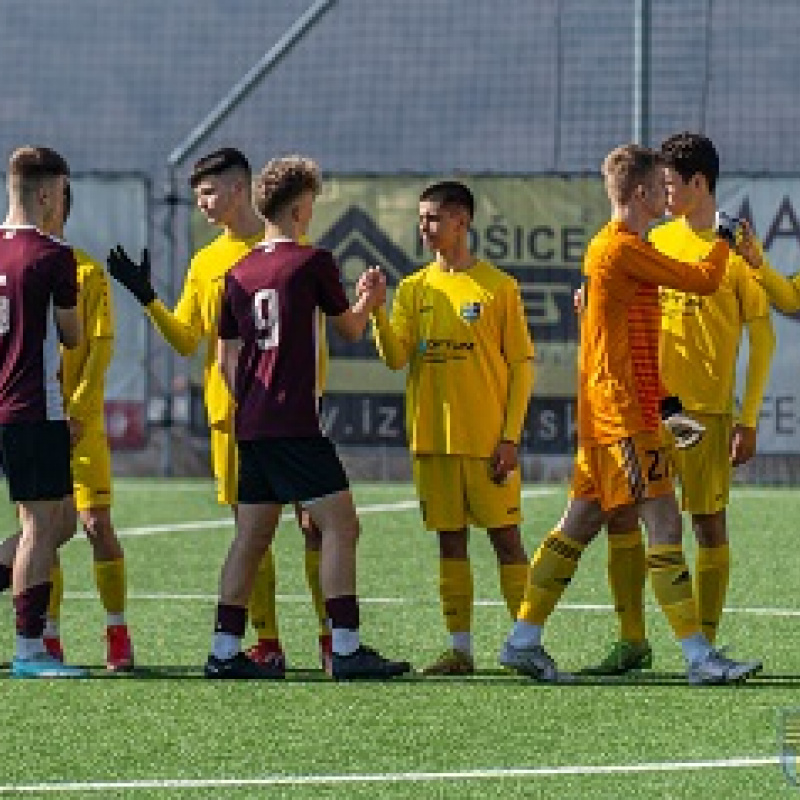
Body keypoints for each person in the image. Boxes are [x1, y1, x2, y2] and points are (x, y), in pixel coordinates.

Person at [499, 143, 763, 684]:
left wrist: (667, 405)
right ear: (640, 193)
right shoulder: (618, 249)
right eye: (661, 185)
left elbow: (624, 342)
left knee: (579, 524)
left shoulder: (614, 251)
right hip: (623, 418)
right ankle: (698, 657)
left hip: (616, 413)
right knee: (664, 523)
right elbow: (704, 280)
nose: (668, 194)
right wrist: (723, 243)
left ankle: (522, 639)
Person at [107, 148, 332, 674]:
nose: (203, 204)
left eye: (209, 192)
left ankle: (330, 637)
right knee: (252, 532)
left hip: (296, 412)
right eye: (198, 195)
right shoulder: (205, 261)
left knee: (313, 525)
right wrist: (148, 299)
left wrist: (314, 394)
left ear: (238, 188)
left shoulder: (290, 247)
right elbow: (188, 340)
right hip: (231, 415)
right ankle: (268, 642)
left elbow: (316, 336)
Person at [208, 154, 410, 680]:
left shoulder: (238, 273)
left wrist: (250, 401)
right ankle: (344, 649)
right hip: (296, 425)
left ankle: (223, 652)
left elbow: (226, 358)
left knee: (251, 537)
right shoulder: (312, 262)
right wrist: (369, 301)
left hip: (252, 425)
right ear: (300, 207)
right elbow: (347, 330)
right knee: (342, 525)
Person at [588, 133, 775, 675]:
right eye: (660, 183)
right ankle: (631, 641)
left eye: (672, 182)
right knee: (621, 518)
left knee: (707, 528)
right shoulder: (651, 240)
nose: (663, 192)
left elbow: (763, 339)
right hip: (648, 410)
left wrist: (749, 418)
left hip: (708, 414)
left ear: (700, 184)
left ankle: (706, 648)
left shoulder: (737, 250)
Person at [365, 180, 533, 676]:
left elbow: (522, 366)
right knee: (449, 541)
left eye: (434, 218)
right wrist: (376, 309)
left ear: (462, 221)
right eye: (421, 219)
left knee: (506, 540)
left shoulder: (499, 288)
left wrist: (510, 436)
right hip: (432, 439)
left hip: (486, 442)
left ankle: (526, 641)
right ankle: (460, 650)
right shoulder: (413, 288)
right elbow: (396, 357)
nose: (425, 227)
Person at [0, 177, 136, 670]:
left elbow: (97, 348)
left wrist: (78, 410)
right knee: (43, 527)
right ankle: (41, 639)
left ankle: (116, 629)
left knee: (88, 525)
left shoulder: (85, 271)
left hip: (70, 417)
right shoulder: (34, 258)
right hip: (36, 413)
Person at [0, 146, 86, 678]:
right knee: (40, 524)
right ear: (48, 194)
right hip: (31, 406)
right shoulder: (54, 256)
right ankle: (29, 648)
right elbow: (73, 336)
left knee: (63, 521)